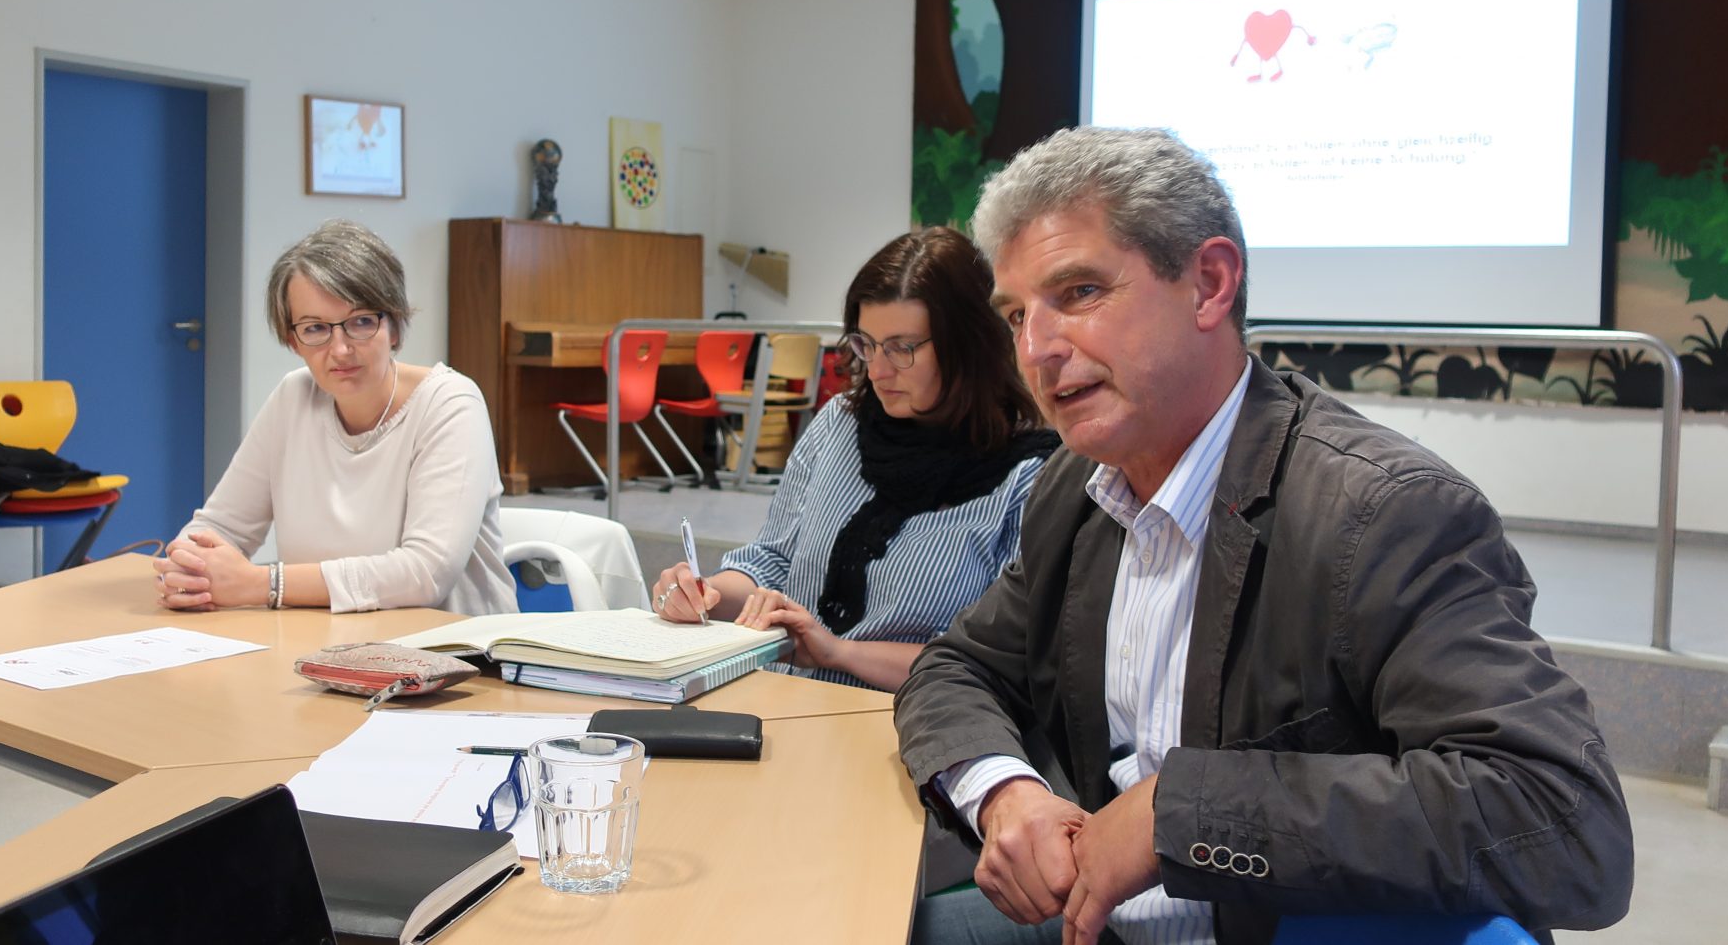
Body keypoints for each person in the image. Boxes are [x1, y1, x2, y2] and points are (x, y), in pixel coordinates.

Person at [896, 128, 1633, 945]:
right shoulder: (1076, 487)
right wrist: (1006, 793)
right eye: (1016, 315)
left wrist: (1183, 814)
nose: (1035, 350)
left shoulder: (1384, 512)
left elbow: (1566, 824)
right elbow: (956, 667)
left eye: (1079, 292)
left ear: (1209, 284)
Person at [651, 227, 1058, 691]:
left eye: (902, 349)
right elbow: (773, 561)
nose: (878, 370)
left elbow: (1004, 662)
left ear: (969, 346)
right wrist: (704, 593)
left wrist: (838, 652)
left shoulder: (1030, 476)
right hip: (789, 701)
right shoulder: (841, 422)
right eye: (866, 344)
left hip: (912, 720)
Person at [154, 220, 517, 615]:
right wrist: (189, 568)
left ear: (395, 327)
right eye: (315, 328)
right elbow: (221, 526)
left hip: (453, 646)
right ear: (293, 341)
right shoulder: (293, 398)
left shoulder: (450, 403)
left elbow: (426, 572)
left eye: (361, 322)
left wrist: (263, 584)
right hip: (324, 642)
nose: (340, 349)